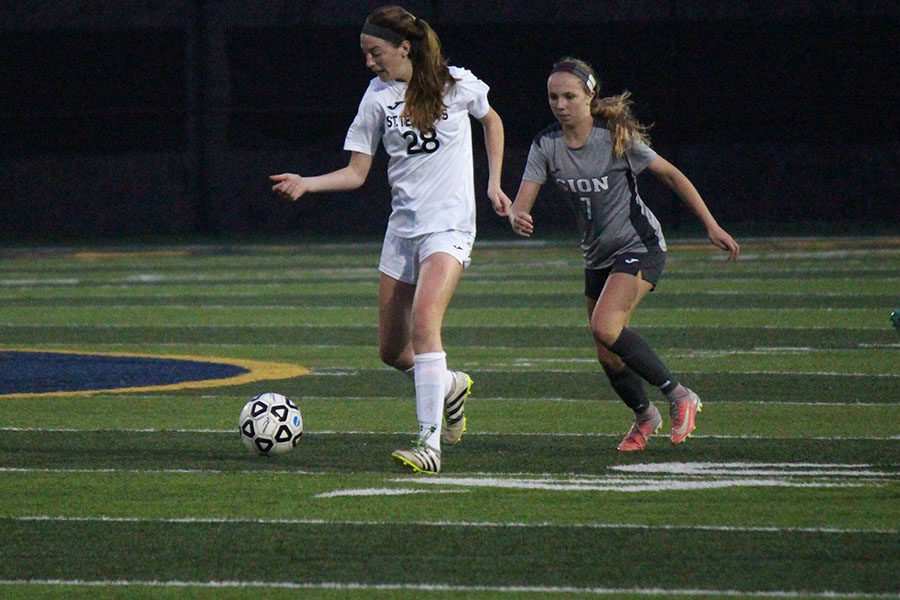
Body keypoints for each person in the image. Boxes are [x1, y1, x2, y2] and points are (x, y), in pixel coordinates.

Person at [270, 5, 511, 473]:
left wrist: (494, 183)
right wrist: (308, 182)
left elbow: (493, 121)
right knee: (390, 351)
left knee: (425, 320)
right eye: (365, 54)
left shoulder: (456, 83)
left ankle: (429, 445)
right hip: (402, 231)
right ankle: (449, 383)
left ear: (405, 47)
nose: (369, 62)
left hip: (450, 225)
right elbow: (357, 173)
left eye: (374, 52)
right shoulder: (377, 97)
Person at [507, 57, 739, 451]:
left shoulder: (613, 137)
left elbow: (671, 174)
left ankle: (680, 394)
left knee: (605, 327)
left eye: (569, 96)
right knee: (607, 353)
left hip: (639, 246)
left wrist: (711, 224)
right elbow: (522, 202)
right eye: (553, 97)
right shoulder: (546, 144)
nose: (560, 104)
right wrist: (517, 215)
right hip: (597, 257)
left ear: (590, 96)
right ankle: (645, 415)